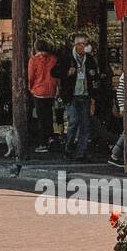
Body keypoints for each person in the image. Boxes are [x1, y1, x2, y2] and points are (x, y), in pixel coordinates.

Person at [53, 34, 100, 162]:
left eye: (85, 44)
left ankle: (81, 152)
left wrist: (93, 75)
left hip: (85, 94)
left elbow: (95, 75)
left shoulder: (89, 59)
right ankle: (68, 148)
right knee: (74, 121)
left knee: (85, 124)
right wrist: (67, 73)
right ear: (76, 45)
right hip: (71, 95)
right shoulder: (66, 58)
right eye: (82, 44)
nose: (84, 47)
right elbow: (54, 72)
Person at [28, 40, 58, 152]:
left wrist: (30, 88)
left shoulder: (34, 60)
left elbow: (31, 76)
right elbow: (56, 75)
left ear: (36, 48)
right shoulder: (53, 59)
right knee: (49, 116)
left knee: (40, 118)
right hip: (51, 91)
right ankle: (50, 138)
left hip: (38, 91)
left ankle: (42, 143)